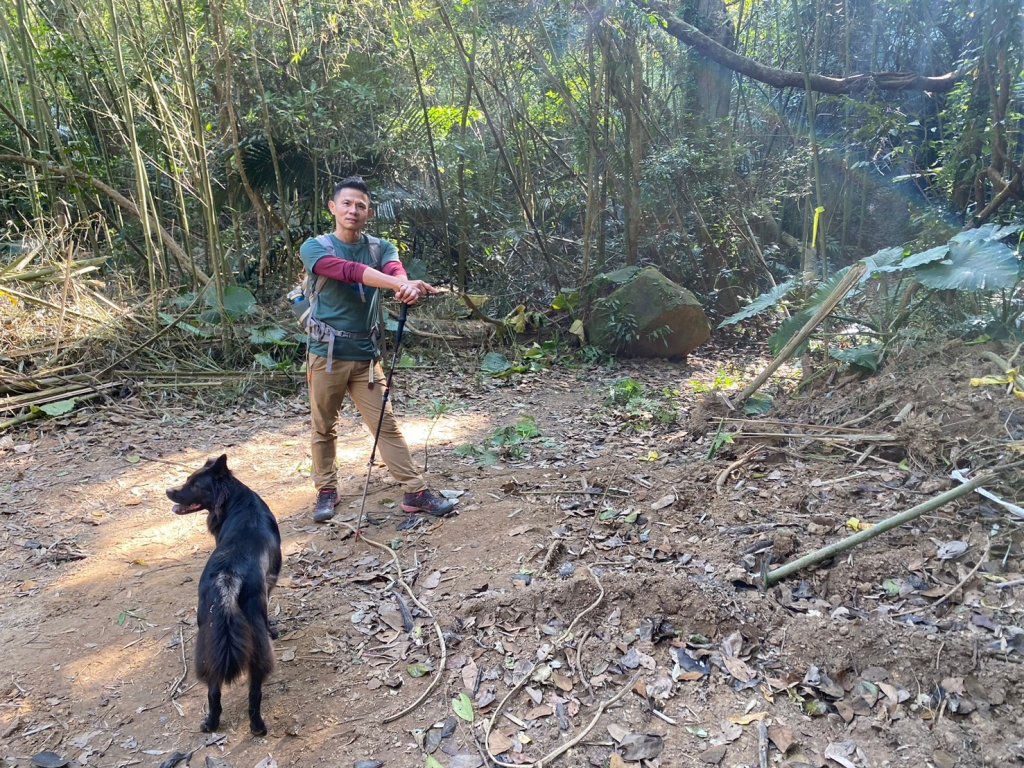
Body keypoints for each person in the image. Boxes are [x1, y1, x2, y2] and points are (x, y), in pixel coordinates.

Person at [298, 175, 456, 523]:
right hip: (326, 355)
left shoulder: (381, 248)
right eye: (346, 203)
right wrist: (400, 284)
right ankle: (326, 489)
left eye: (361, 206)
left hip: (366, 358)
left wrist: (405, 285)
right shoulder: (314, 248)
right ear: (333, 207)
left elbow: (394, 268)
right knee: (323, 426)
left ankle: (414, 491)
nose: (353, 210)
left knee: (386, 424)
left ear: (369, 213)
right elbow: (348, 271)